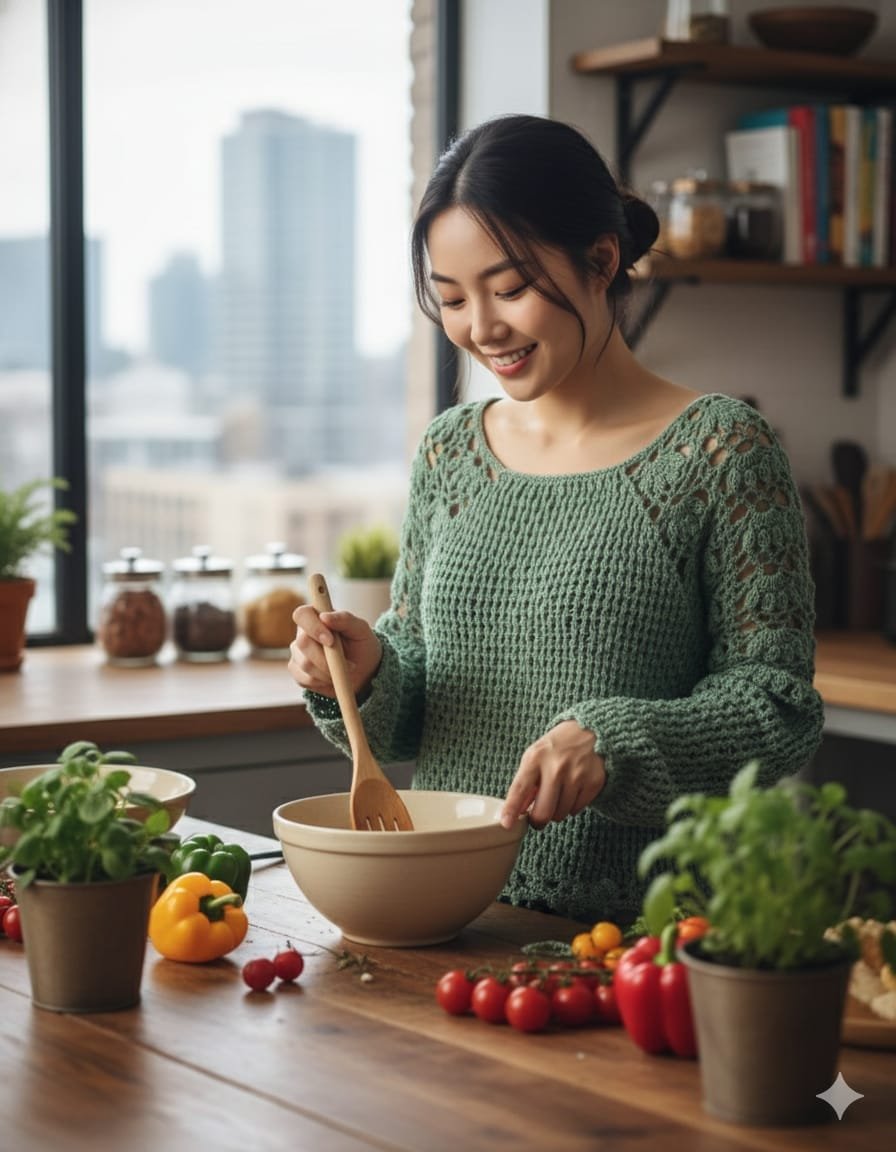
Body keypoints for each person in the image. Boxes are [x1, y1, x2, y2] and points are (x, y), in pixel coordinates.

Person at [289, 113, 824, 926]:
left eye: (509, 289)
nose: (481, 328)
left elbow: (776, 708)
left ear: (601, 261)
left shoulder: (720, 451)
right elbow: (421, 700)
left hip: (639, 933)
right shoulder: (451, 452)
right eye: (453, 299)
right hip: (449, 915)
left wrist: (616, 744)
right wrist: (365, 673)